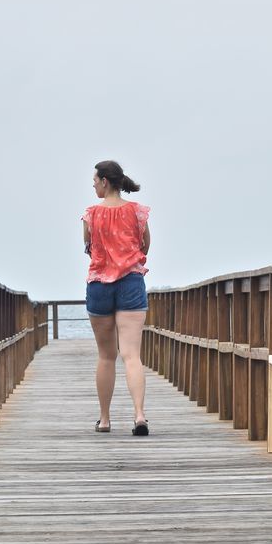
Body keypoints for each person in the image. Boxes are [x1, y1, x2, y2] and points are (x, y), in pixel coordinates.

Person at [82, 160, 151, 436]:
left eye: (95, 182)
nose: (94, 186)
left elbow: (88, 246)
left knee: (106, 355)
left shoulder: (91, 214)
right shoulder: (137, 212)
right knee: (131, 355)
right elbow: (145, 244)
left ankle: (106, 419)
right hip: (131, 283)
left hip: (100, 285)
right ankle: (139, 415)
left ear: (105, 182)